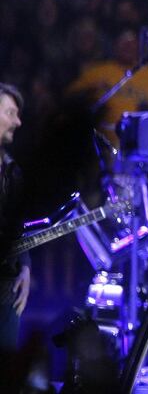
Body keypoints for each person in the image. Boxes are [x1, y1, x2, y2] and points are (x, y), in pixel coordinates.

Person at [0, 83, 31, 352]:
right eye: (10, 113)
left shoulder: (12, 170)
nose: (18, 122)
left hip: (7, 289)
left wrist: (26, 267)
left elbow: (18, 226)